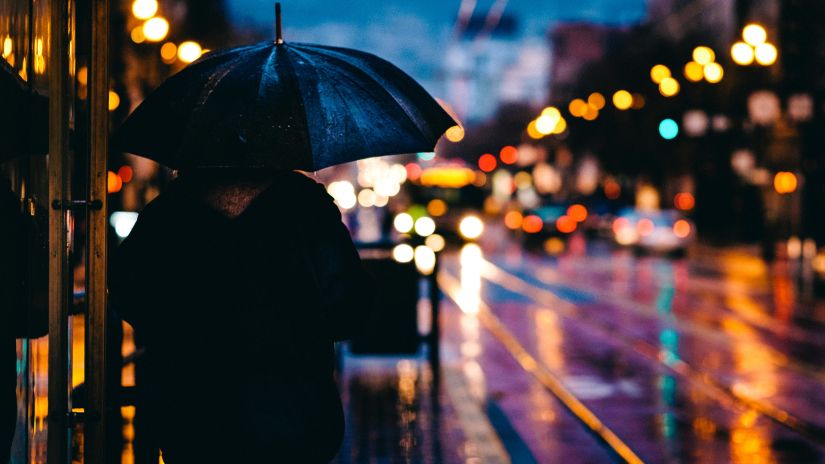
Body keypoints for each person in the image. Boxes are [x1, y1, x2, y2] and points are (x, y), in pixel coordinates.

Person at [109, 168, 374, 463]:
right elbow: (350, 307)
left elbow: (127, 291)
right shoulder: (305, 204)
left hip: (194, 412)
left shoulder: (172, 207)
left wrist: (181, 330)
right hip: (294, 408)